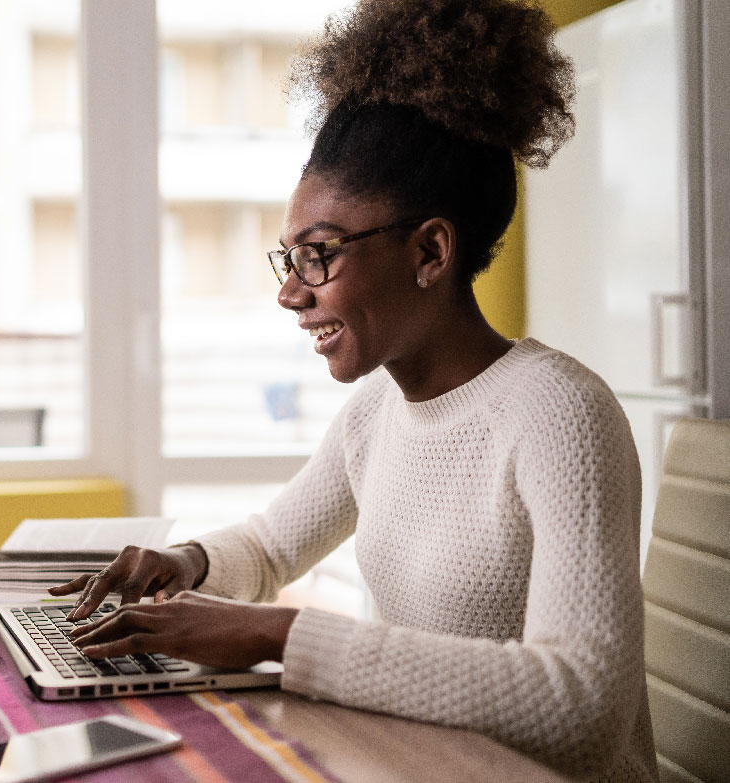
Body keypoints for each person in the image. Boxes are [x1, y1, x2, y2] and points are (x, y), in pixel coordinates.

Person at [49, 1, 658, 780]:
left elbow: (581, 706)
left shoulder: (560, 413)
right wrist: (188, 563)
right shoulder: (376, 412)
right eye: (288, 259)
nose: (291, 293)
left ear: (430, 250)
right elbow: (271, 545)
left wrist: (277, 636)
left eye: (320, 255)